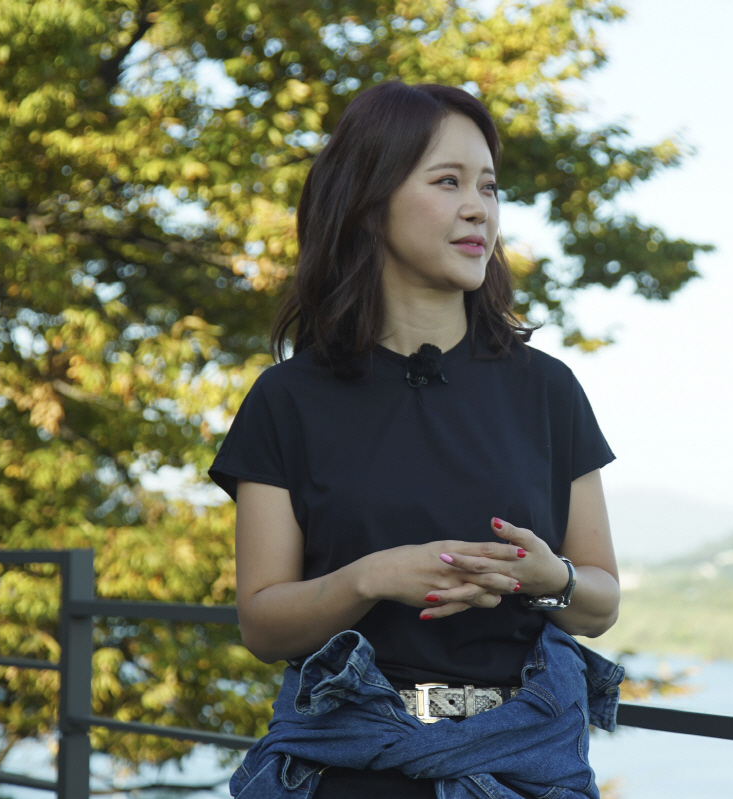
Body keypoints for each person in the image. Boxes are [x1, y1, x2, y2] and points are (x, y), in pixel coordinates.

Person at [207, 81, 622, 799]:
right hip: (348, 764)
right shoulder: (286, 399)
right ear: (370, 203)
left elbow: (601, 601)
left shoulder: (548, 389)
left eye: (489, 187)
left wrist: (550, 577)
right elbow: (264, 626)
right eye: (448, 181)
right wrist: (368, 579)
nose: (479, 208)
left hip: (527, 767)